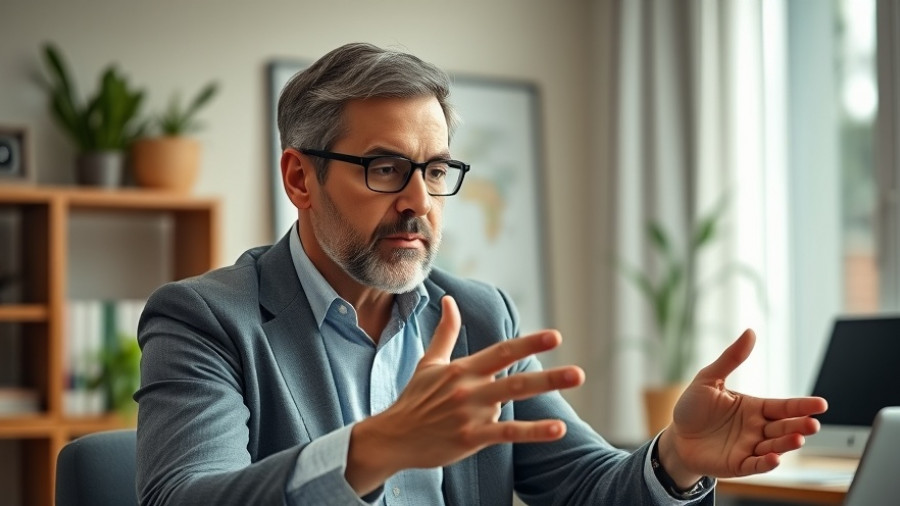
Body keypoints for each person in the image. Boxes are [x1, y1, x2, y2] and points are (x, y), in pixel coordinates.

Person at [134, 42, 828, 505]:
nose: (417, 202)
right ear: (299, 179)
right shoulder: (207, 319)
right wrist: (375, 448)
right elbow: (186, 497)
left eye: (434, 171)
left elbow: (588, 484)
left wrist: (678, 455)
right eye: (384, 169)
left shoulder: (476, 314)